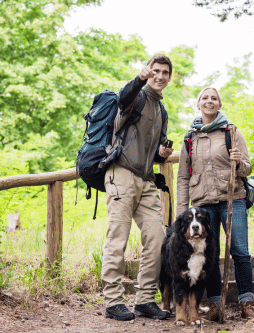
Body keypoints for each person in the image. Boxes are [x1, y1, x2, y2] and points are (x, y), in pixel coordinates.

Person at [176, 87, 254, 322]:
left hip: (232, 199)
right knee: (209, 255)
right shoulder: (190, 138)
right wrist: (182, 211)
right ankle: (214, 305)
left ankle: (247, 304)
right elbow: (183, 177)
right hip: (202, 205)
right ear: (198, 104)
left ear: (219, 104)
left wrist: (238, 162)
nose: (209, 101)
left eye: (214, 98)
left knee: (240, 251)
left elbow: (247, 167)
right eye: (205, 98)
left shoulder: (231, 132)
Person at [102, 54, 174, 321]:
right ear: (148, 72)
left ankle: (144, 299)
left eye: (165, 72)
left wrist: (162, 154)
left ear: (169, 77)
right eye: (155, 71)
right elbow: (122, 98)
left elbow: (152, 154)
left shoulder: (161, 110)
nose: (160, 76)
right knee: (117, 238)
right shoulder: (138, 96)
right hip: (121, 174)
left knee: (157, 237)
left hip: (146, 180)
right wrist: (138, 79)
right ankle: (112, 302)